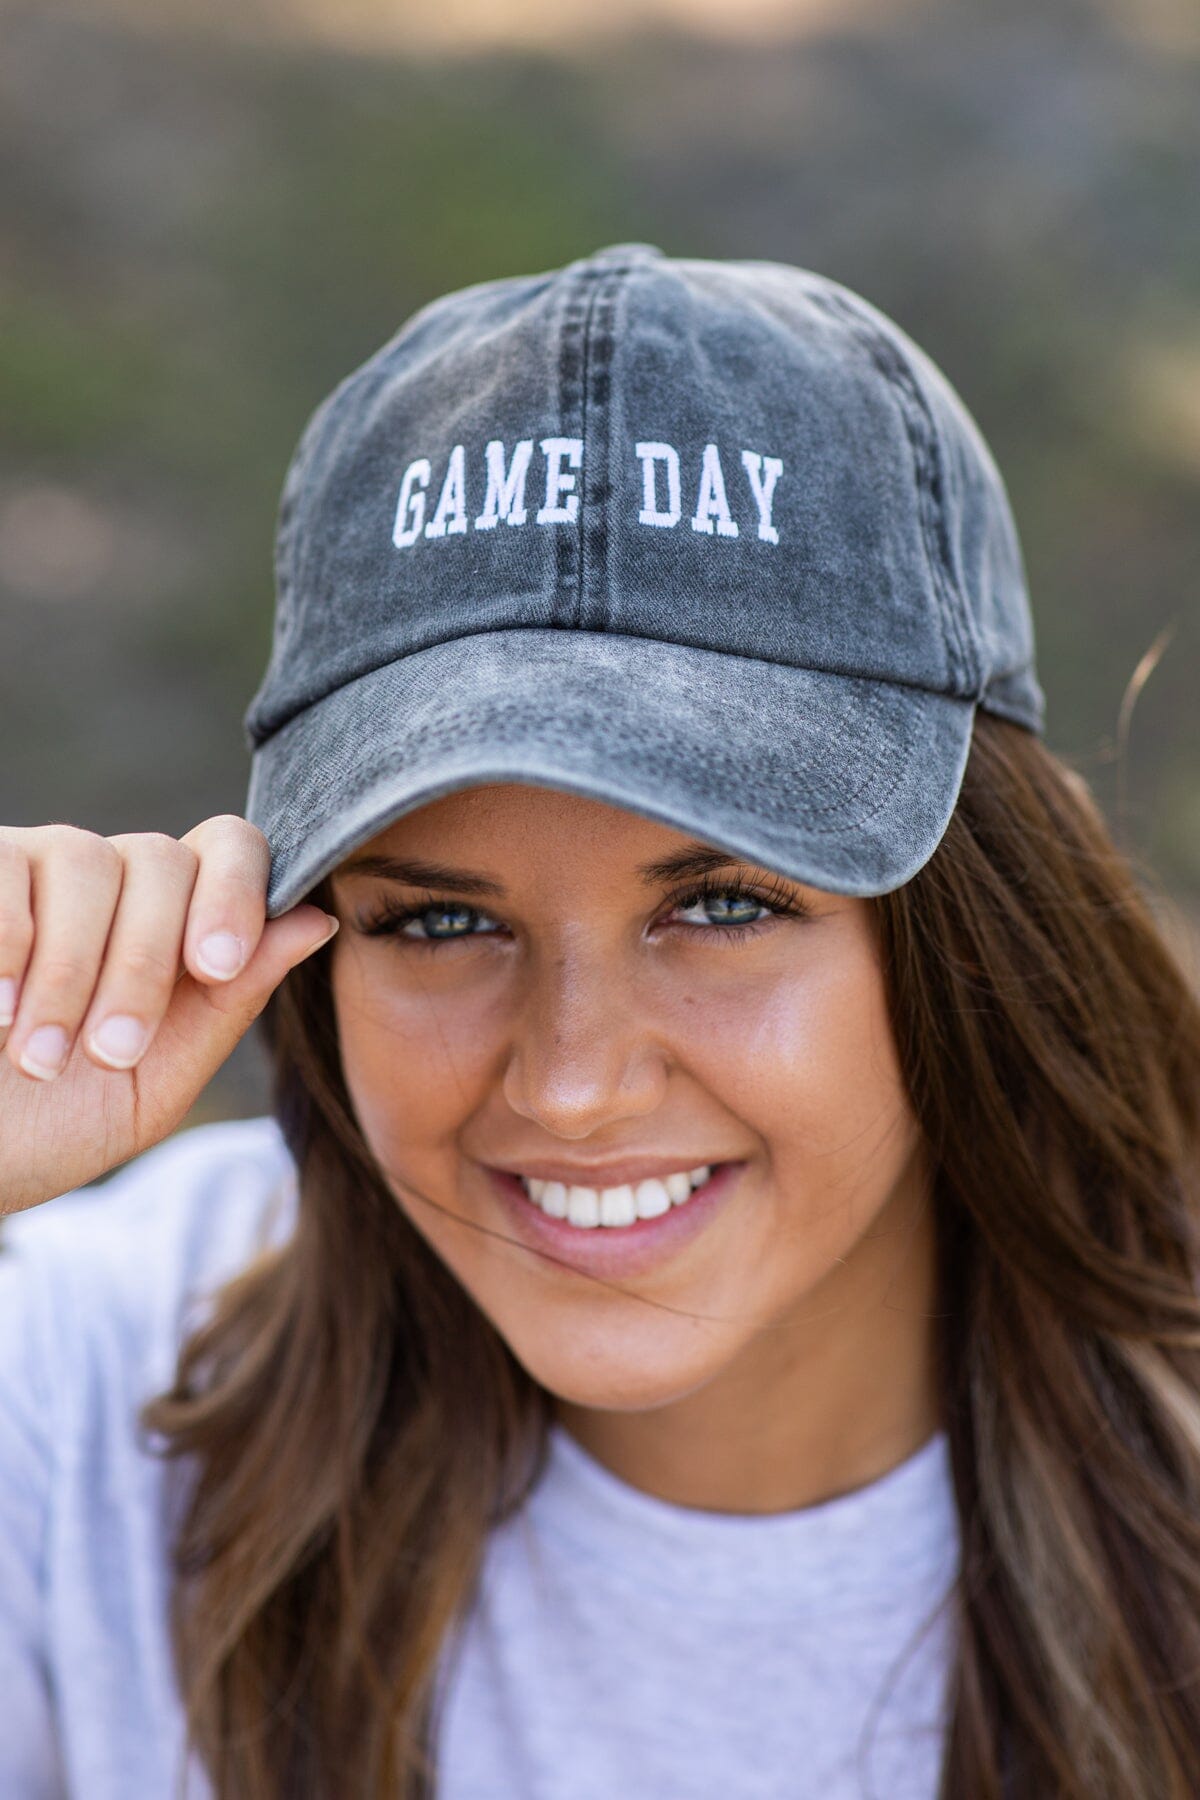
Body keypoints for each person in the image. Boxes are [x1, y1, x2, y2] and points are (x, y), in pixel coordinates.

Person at [1, 243, 1198, 1800]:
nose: (571, 1086)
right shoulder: (92, 1400)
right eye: (439, 920)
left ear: (966, 934)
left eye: (721, 906)